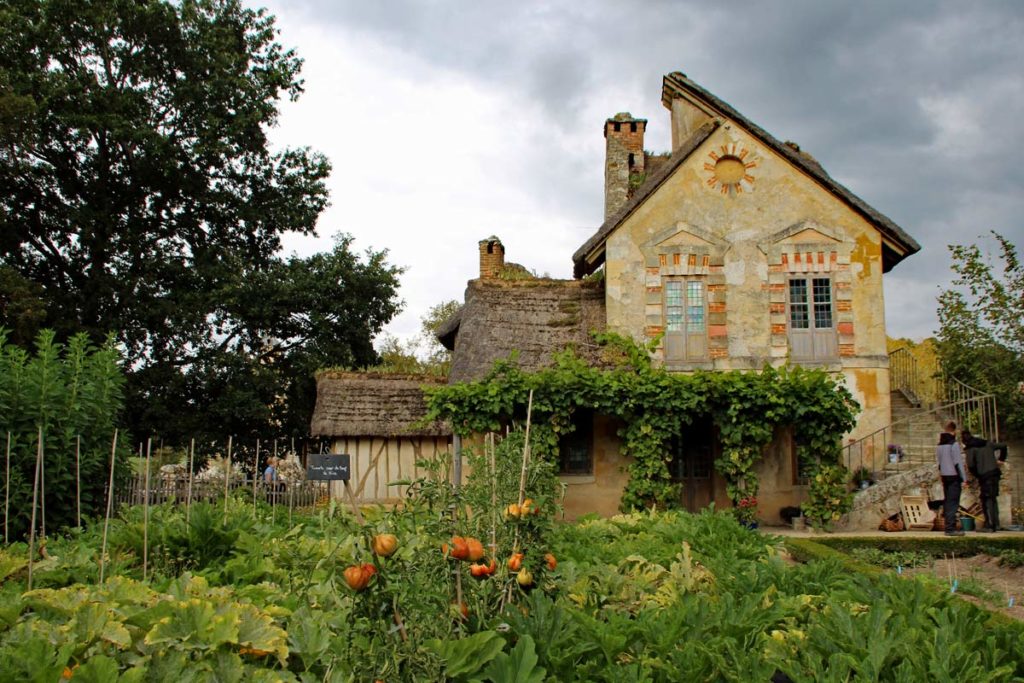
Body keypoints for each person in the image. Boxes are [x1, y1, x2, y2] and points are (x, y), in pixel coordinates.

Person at [962, 429, 1009, 532]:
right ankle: (996, 524)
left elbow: (971, 465)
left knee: (986, 499)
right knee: (992, 498)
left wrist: (978, 474)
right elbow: (1004, 445)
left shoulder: (970, 448)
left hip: (985, 475)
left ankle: (990, 525)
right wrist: (1001, 459)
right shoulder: (987, 443)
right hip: (995, 474)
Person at [936, 422, 967, 536]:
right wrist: (964, 479)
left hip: (945, 476)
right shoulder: (954, 444)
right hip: (954, 476)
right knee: (953, 503)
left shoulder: (939, 445)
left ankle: (948, 527)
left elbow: (938, 463)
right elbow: (958, 462)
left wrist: (941, 474)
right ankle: (950, 528)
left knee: (947, 501)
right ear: (954, 431)